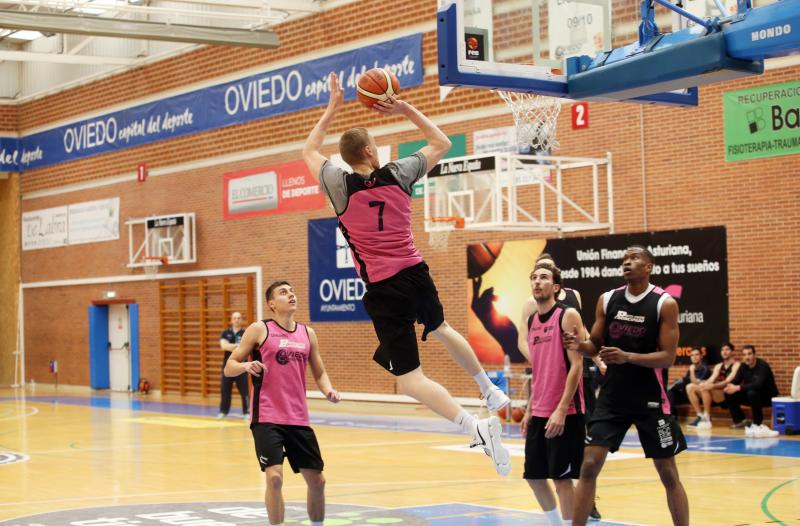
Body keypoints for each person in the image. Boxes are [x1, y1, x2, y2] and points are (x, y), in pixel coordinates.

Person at [302, 73, 511, 476]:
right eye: (376, 146)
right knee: (444, 329)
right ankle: (489, 389)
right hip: (414, 272)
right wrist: (404, 108)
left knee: (411, 379)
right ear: (369, 149)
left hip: (381, 289)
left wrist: (332, 106)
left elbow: (309, 149)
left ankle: (474, 426)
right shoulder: (398, 173)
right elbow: (442, 143)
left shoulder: (338, 185)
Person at [566, 246, 689, 526]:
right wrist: (579, 345)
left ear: (649, 267)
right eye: (624, 259)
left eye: (634, 259)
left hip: (650, 398)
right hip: (613, 397)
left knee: (668, 473)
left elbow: (668, 357)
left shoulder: (664, 303)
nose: (627, 263)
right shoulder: (608, 300)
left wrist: (627, 357)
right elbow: (594, 345)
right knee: (588, 466)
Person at [225, 281, 341, 526]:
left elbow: (319, 372)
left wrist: (328, 389)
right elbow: (229, 367)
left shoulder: (307, 334)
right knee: (275, 478)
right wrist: (246, 365)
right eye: (283, 292)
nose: (291, 295)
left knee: (317, 482)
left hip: (298, 418)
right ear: (271, 304)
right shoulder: (260, 329)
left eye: (292, 291)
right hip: (267, 417)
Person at [518, 252, 605, 522]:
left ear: (556, 287)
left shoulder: (567, 315)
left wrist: (561, 409)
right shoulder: (532, 320)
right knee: (534, 477)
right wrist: (531, 408)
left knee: (562, 478)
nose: (537, 281)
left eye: (543, 277)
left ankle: (575, 518)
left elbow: (577, 366)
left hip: (566, 411)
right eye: (533, 277)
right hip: (540, 408)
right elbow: (539, 371)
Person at [723, 345, 779, 438]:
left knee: (752, 392)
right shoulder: (743, 366)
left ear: (754, 355)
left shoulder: (762, 365)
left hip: (767, 396)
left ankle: (758, 423)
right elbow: (736, 380)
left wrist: (737, 388)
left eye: (749, 354)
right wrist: (729, 387)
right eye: (745, 355)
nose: (747, 357)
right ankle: (740, 420)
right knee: (729, 393)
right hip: (751, 395)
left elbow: (758, 385)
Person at [685, 342, 740, 429]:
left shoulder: (736, 365)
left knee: (706, 387)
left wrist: (711, 386)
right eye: (722, 350)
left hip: (729, 393)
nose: (724, 352)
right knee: (690, 387)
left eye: (727, 349)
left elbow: (727, 381)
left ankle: (707, 418)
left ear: (732, 352)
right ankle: (701, 416)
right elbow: (711, 379)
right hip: (717, 392)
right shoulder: (719, 366)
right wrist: (705, 384)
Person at [218, 311, 250, 420]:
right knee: (225, 391)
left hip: (241, 367)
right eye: (235, 318)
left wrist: (232, 346)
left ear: (241, 320)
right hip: (227, 368)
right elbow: (224, 346)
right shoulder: (225, 333)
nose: (237, 320)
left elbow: (247, 348)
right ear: (231, 320)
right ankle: (223, 412)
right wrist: (238, 346)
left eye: (239, 318)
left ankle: (247, 412)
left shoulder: (246, 333)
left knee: (245, 391)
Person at [667, 348, 710, 424]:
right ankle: (671, 416)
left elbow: (696, 383)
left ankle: (700, 416)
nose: (694, 357)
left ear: (701, 356)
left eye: (697, 354)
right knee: (670, 391)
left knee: (687, 387)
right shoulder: (692, 367)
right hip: (687, 392)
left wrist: (692, 371)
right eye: (692, 355)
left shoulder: (704, 368)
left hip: (699, 394)